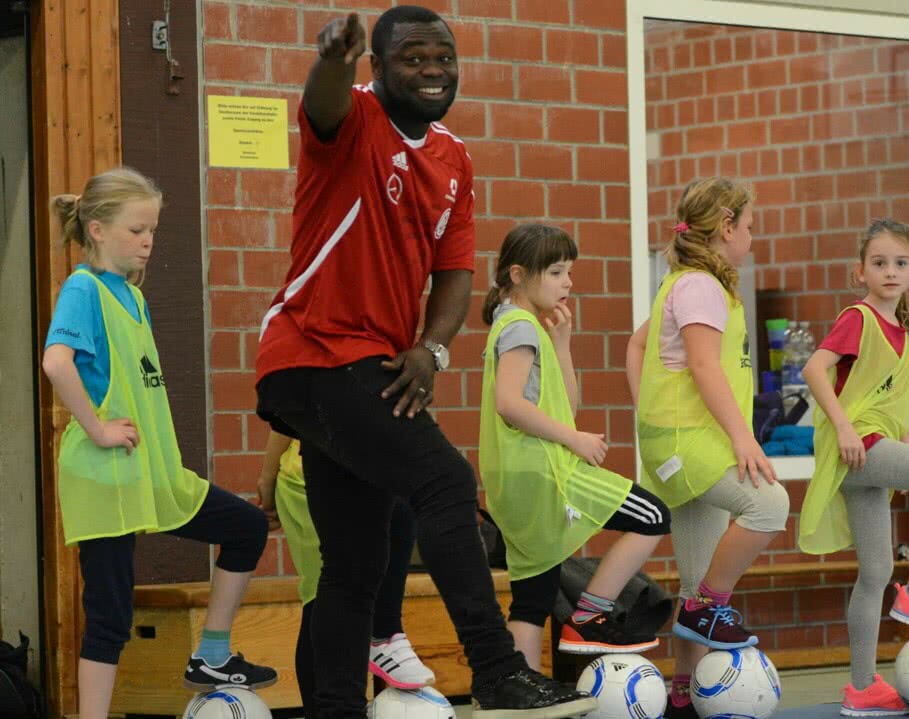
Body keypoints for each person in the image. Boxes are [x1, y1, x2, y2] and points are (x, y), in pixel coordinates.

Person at [253, 8, 591, 718]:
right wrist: (334, 60)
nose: (433, 69)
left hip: (374, 364)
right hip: (315, 352)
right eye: (412, 57)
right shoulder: (352, 119)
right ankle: (498, 670)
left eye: (444, 56)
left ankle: (336, 707)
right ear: (376, 66)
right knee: (445, 482)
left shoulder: (454, 158)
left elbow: (456, 275)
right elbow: (322, 101)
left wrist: (432, 348)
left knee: (353, 563)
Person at [42, 168, 276, 719]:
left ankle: (212, 657)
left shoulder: (133, 296)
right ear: (97, 230)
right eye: (135, 230)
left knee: (243, 528)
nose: (147, 240)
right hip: (106, 475)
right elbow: (56, 362)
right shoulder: (84, 288)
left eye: (151, 230)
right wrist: (98, 429)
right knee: (110, 615)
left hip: (152, 472)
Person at [798, 220, 909, 717]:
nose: (890, 271)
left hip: (878, 450)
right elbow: (815, 370)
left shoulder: (905, 332)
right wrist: (844, 429)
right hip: (857, 447)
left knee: (874, 573)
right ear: (861, 271)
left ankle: (861, 687)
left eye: (900, 263)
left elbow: (898, 399)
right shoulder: (857, 317)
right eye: (879, 263)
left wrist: (902, 447)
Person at [626, 177, 789, 719]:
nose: (752, 237)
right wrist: (743, 437)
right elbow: (702, 365)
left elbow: (639, 344)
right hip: (688, 444)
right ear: (726, 227)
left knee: (698, 570)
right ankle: (705, 609)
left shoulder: (697, 284)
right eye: (748, 226)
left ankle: (680, 695)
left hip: (687, 442)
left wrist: (648, 410)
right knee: (769, 504)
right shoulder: (698, 286)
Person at [480, 224, 671, 670]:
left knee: (533, 596)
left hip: (519, 479)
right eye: (557, 272)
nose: (568, 282)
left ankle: (518, 689)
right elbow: (509, 405)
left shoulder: (519, 327)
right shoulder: (520, 328)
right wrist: (576, 440)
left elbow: (566, 405)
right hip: (546, 474)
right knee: (653, 516)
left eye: (569, 272)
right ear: (518, 274)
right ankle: (589, 617)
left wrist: (562, 345)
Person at [257, 431, 433, 716]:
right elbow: (286, 412)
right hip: (308, 479)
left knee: (399, 516)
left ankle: (384, 633)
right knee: (324, 594)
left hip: (365, 472)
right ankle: (329, 707)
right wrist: (268, 475)